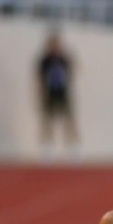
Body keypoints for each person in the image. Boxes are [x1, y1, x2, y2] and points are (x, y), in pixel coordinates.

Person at [37, 28, 78, 159]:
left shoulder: (63, 59)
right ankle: (47, 147)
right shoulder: (45, 61)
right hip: (50, 93)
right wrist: (41, 94)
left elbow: (70, 73)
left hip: (62, 92)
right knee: (47, 120)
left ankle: (73, 146)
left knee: (69, 119)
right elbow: (41, 78)